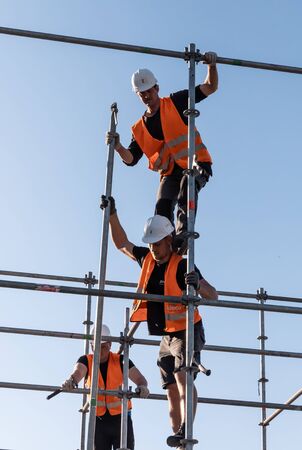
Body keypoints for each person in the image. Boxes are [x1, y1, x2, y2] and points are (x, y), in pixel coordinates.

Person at [108, 197, 218, 449]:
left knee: (183, 377)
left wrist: (197, 284)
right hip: (167, 336)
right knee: (169, 387)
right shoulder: (147, 259)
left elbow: (214, 295)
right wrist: (112, 214)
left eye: (158, 244)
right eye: (151, 244)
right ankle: (178, 439)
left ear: (169, 240)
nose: (154, 249)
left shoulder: (182, 266)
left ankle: (185, 430)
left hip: (187, 331)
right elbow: (122, 244)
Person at [106, 52, 218, 252]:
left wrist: (211, 65)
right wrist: (118, 147)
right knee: (161, 213)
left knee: (188, 185)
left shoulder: (177, 102)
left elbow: (210, 87)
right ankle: (168, 250)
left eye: (149, 91)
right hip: (170, 174)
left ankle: (183, 236)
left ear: (157, 88)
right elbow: (131, 159)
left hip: (196, 163)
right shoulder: (139, 128)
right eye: (142, 94)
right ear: (138, 95)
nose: (147, 96)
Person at [62, 323, 149, 450]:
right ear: (91, 345)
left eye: (103, 346)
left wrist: (143, 386)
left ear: (110, 344)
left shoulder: (121, 360)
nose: (100, 350)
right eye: (97, 346)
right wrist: (72, 381)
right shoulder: (86, 360)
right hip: (98, 421)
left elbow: (140, 379)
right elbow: (78, 372)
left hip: (121, 419)